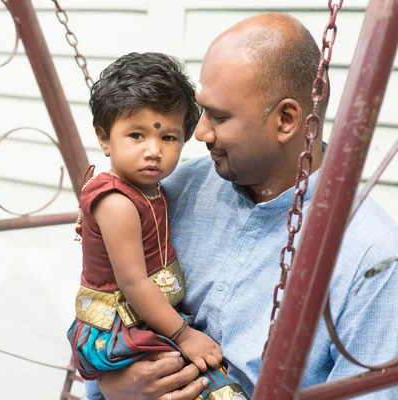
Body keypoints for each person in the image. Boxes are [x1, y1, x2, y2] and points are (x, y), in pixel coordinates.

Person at [85, 12, 398, 400]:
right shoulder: (174, 192)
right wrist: (117, 387)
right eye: (201, 111)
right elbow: (114, 316)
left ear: (286, 119)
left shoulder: (372, 262)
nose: (198, 133)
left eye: (219, 116)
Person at [67, 52, 250, 400]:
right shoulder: (117, 202)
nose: (153, 150)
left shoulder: (152, 189)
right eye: (137, 135)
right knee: (200, 381)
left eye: (168, 138)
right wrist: (184, 334)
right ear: (105, 140)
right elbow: (133, 282)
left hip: (146, 316)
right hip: (120, 326)